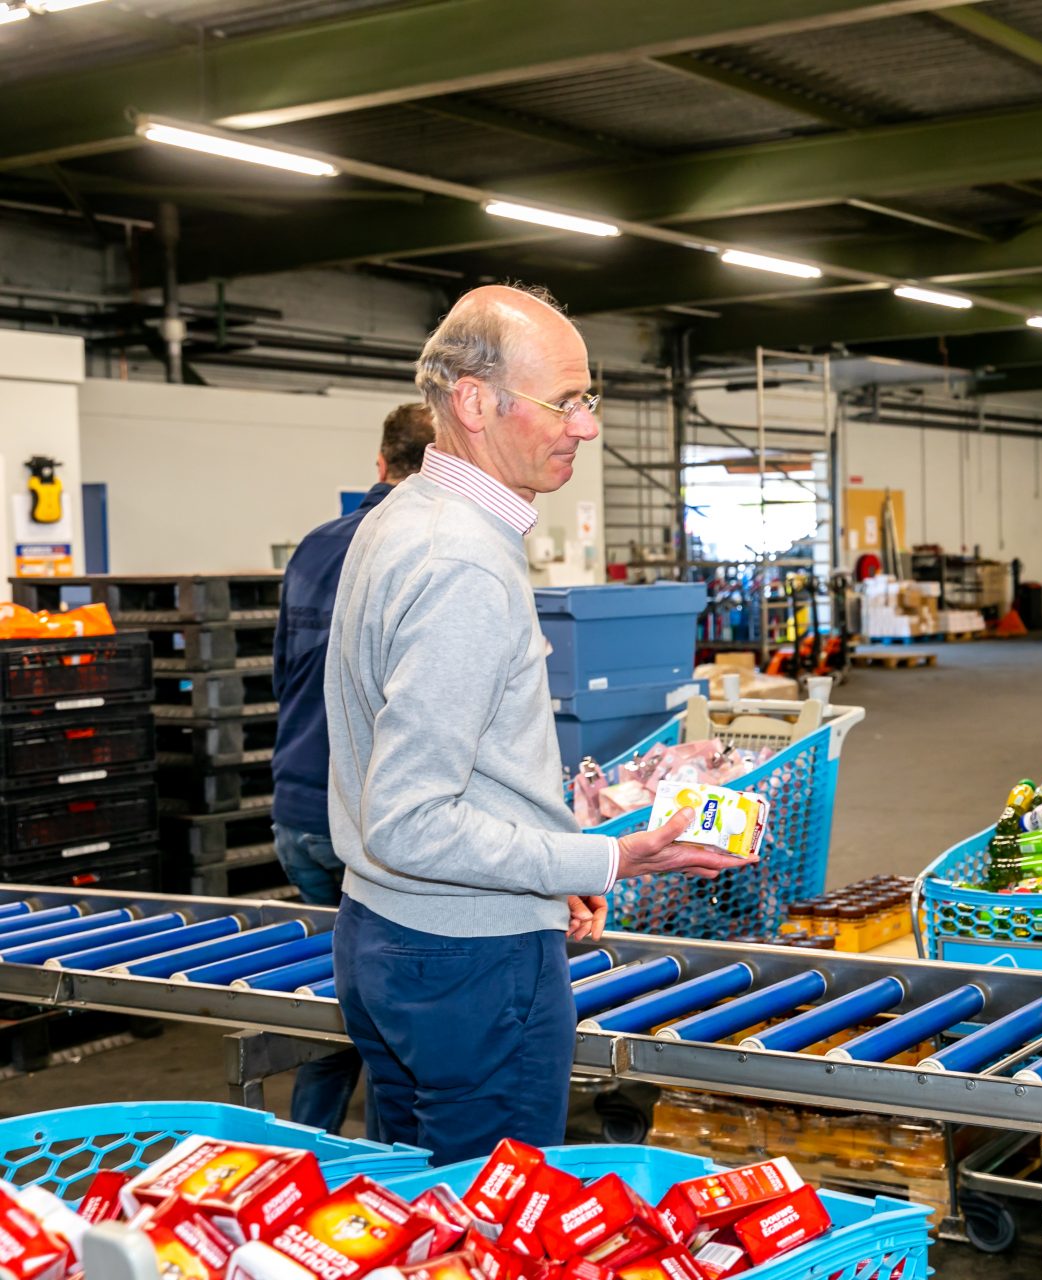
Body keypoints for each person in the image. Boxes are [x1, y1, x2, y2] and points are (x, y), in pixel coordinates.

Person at [324, 284, 748, 1163]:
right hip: (468, 965)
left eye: (586, 401)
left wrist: (546, 871)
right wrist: (611, 855)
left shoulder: (397, 520)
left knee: (419, 1216)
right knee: (492, 1227)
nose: (585, 427)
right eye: (566, 402)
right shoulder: (465, 565)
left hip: (386, 936)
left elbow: (434, 770)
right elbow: (409, 819)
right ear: (476, 402)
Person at [270, 402, 436, 1136]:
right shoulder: (424, 546)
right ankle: (384, 1175)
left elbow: (283, 673)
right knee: (397, 1010)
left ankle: (312, 1143)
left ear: (379, 463)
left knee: (333, 995)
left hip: (296, 808)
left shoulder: (314, 545)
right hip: (374, 826)